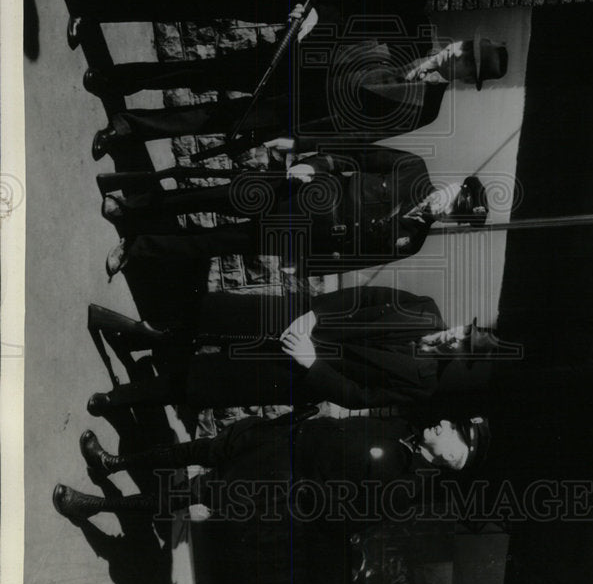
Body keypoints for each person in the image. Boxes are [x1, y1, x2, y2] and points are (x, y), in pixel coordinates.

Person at [88, 30, 509, 160]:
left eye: (465, 59)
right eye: (462, 46)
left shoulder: (426, 110)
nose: (455, 52)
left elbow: (357, 136)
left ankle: (127, 126)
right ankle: (122, 78)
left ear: (465, 76)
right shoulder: (416, 31)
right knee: (210, 69)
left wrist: (301, 142)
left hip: (304, 107)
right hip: (301, 61)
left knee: (217, 118)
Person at [84, 285, 501, 414]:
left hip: (301, 371)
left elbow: (360, 398)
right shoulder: (424, 309)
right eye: (464, 331)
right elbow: (363, 294)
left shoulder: (424, 384)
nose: (455, 338)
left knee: (204, 383)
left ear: (462, 358)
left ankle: (118, 398)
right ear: (465, 324)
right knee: (207, 324)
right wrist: (314, 314)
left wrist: (312, 363)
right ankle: (129, 329)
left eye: (463, 347)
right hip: (302, 318)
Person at [101, 146, 489, 277]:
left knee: (218, 241)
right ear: (454, 187)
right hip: (303, 191)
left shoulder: (412, 242)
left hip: (306, 235)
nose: (447, 207)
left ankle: (136, 251)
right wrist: (314, 164)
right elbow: (352, 154)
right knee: (213, 197)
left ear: (453, 221)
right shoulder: (412, 168)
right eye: (455, 199)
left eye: (455, 214)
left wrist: (306, 265)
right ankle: (129, 208)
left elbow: (353, 261)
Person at [52, 409, 491, 523]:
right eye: (453, 421)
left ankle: (91, 505)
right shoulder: (402, 427)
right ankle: (111, 463)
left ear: (455, 457)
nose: (444, 422)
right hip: (279, 437)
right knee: (195, 450)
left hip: (278, 481)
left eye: (453, 429)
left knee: (188, 493)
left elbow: (339, 517)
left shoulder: (406, 489)